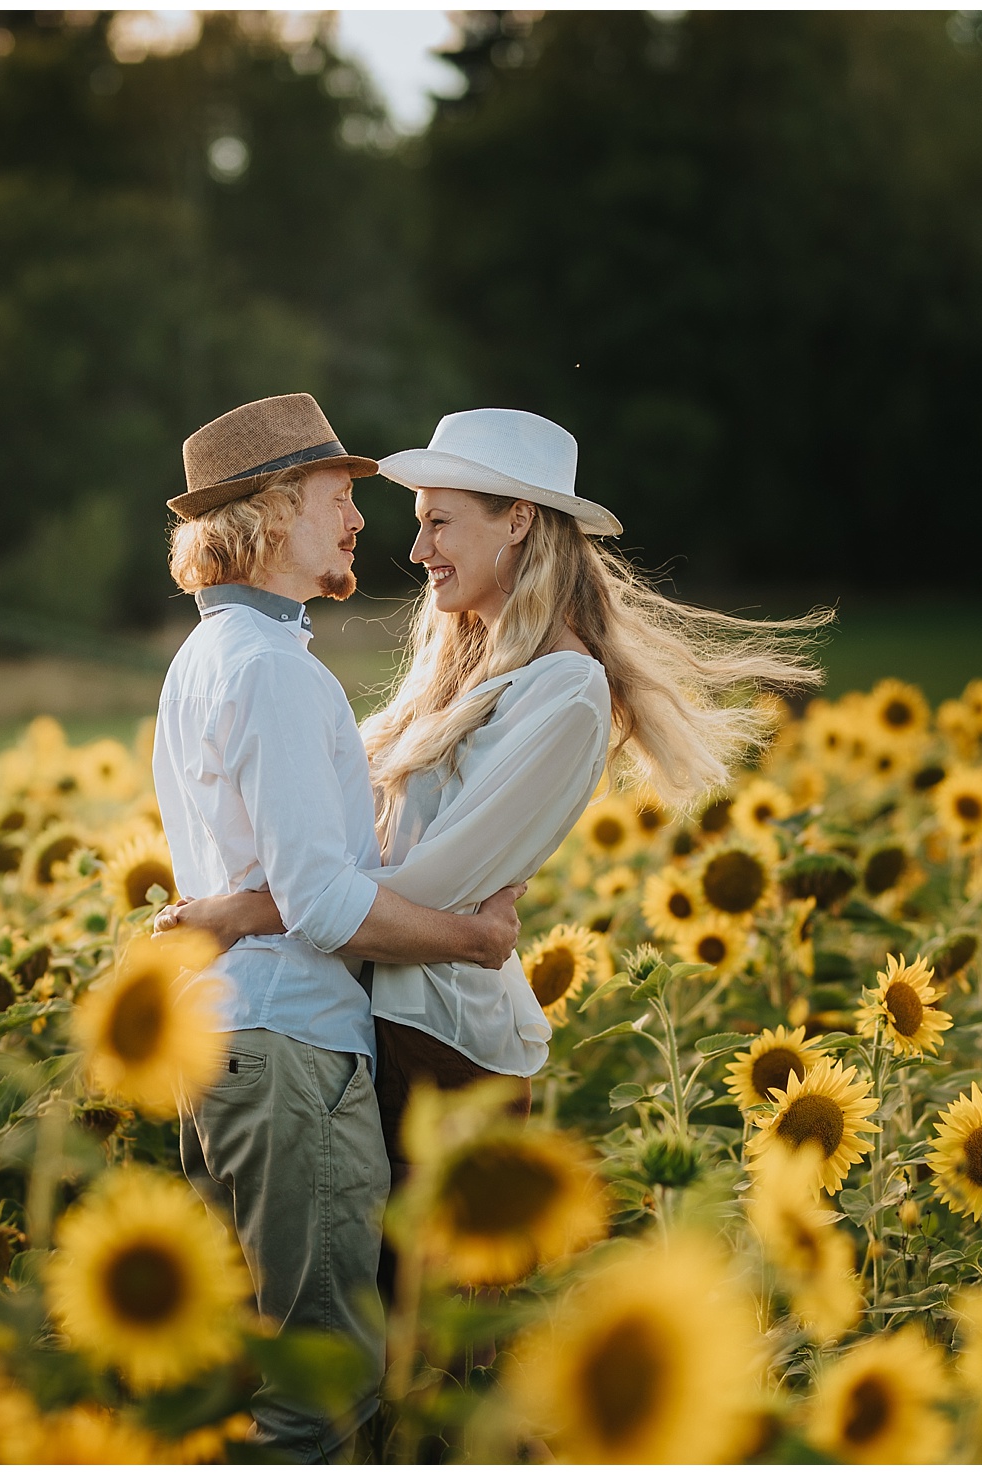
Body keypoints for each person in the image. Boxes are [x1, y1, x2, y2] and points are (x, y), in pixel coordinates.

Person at [162, 405, 831, 1214]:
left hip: (447, 1047)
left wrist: (243, 910)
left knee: (432, 1329)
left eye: (438, 523)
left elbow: (418, 888)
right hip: (389, 1033)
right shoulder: (460, 672)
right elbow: (353, 868)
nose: (416, 551)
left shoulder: (567, 691)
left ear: (517, 521)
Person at [151, 392, 527, 1462]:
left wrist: (238, 906)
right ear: (271, 517)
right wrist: (470, 935)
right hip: (291, 1050)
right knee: (323, 1384)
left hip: (228, 1037)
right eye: (335, 498)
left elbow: (280, 876)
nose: (360, 521)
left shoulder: (207, 659)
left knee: (269, 1361)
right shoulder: (275, 672)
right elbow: (322, 902)